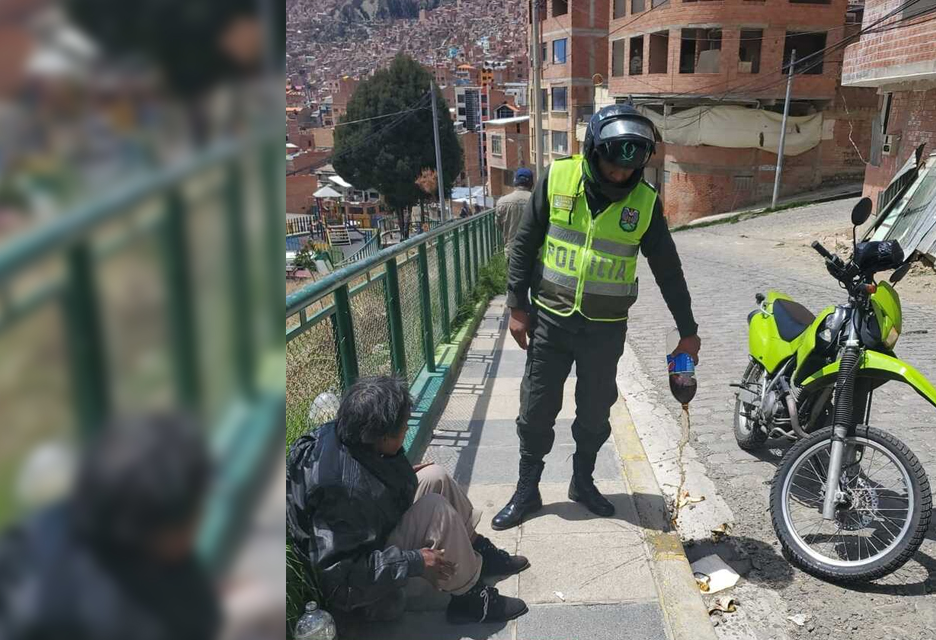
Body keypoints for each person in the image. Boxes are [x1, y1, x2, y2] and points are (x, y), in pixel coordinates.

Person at [492, 104, 701, 531]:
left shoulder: (644, 203)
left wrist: (688, 331)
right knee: (536, 410)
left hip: (604, 332)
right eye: (613, 163)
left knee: (594, 413)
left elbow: (668, 269)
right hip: (550, 320)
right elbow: (525, 243)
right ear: (593, 151)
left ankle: (582, 482)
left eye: (631, 167)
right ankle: (527, 489)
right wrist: (516, 306)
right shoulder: (559, 177)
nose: (620, 175)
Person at [287, 376, 529, 624]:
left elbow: (367, 480)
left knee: (436, 477)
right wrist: (414, 561)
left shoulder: (346, 435)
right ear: (382, 437)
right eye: (404, 427)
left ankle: (476, 549)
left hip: (369, 539)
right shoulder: (340, 494)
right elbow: (340, 583)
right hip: (360, 599)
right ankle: (470, 598)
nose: (407, 430)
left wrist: (397, 477)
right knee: (435, 511)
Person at [0, 414, 220, 640]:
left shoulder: (39, 532)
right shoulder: (148, 623)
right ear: (156, 530)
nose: (202, 516)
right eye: (198, 506)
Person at [495, 168, 533, 250]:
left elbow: (499, 226)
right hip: (534, 250)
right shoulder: (538, 200)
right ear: (531, 184)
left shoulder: (502, 202)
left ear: (515, 182)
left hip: (512, 250)